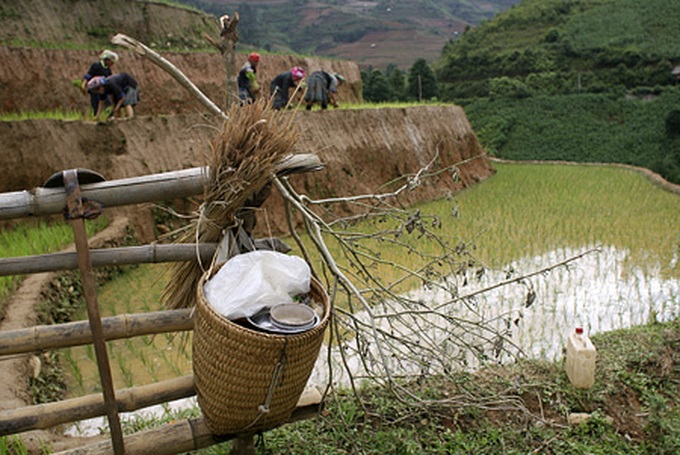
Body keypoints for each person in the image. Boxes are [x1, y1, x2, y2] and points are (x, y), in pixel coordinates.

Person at [81, 50, 119, 116]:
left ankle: (105, 118)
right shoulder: (96, 66)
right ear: (107, 60)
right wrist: (83, 85)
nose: (112, 64)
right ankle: (96, 118)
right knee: (95, 105)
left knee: (107, 105)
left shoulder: (108, 70)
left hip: (103, 91)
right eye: (111, 62)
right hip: (95, 90)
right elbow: (88, 75)